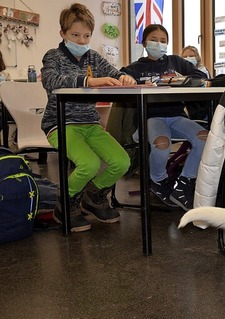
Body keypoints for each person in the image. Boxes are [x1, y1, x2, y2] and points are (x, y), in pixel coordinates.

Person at [40, 3, 135, 232]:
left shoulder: (93, 57)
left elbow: (114, 73)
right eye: (75, 35)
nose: (82, 41)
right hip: (60, 123)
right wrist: (89, 81)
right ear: (63, 34)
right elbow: (50, 81)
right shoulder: (53, 56)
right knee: (89, 164)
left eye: (86, 35)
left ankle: (93, 196)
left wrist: (125, 78)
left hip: (90, 124)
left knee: (122, 162)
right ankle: (65, 203)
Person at [120, 24, 208, 211]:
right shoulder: (136, 67)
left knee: (204, 137)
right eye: (154, 40)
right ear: (144, 42)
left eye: (163, 41)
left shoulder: (176, 62)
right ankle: (158, 181)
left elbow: (200, 75)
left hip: (176, 116)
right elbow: (121, 76)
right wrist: (125, 78)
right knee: (161, 144)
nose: (158, 44)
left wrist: (180, 80)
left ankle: (184, 182)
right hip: (151, 117)